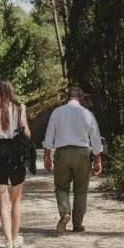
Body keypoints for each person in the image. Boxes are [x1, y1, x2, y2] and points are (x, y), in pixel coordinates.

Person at [42, 87, 103, 235]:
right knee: (81, 191)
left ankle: (65, 213)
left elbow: (49, 135)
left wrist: (46, 156)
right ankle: (77, 224)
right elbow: (95, 139)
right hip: (82, 154)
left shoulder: (57, 112)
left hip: (62, 154)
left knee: (61, 187)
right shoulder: (87, 114)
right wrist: (97, 160)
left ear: (67, 98)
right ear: (81, 98)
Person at [0, 80, 32, 248]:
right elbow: (27, 133)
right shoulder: (19, 108)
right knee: (16, 199)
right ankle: (16, 237)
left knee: (3, 201)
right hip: (16, 154)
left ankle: (8, 242)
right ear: (11, 91)